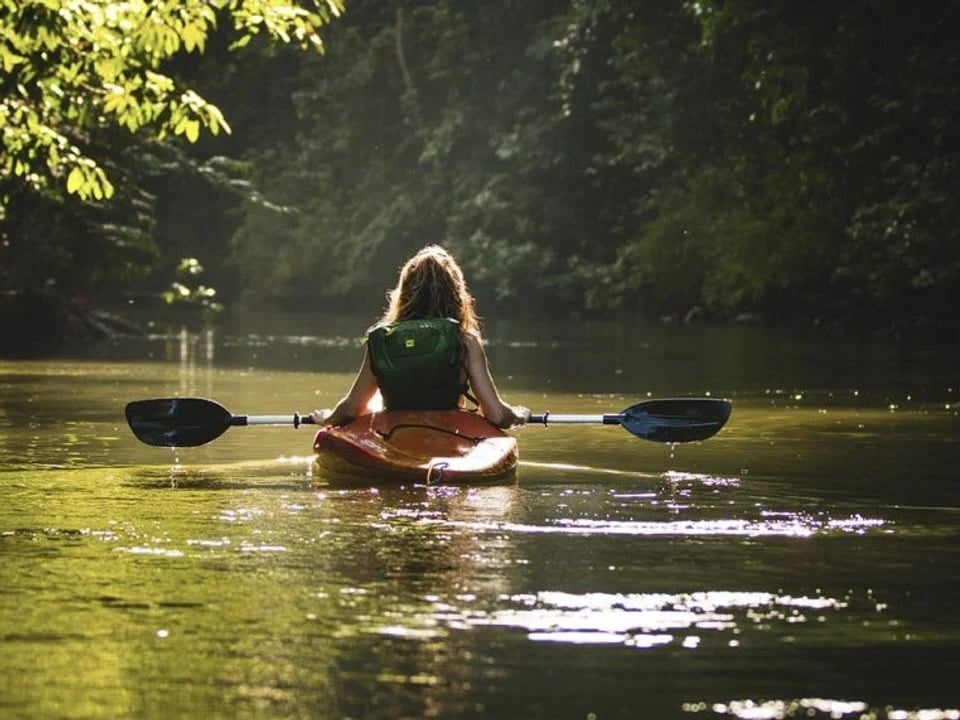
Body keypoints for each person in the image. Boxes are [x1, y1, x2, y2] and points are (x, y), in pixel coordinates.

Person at [311, 245, 529, 428]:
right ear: (456, 293)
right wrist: (519, 415)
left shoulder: (383, 340)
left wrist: (327, 419)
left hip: (395, 437)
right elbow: (497, 415)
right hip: (449, 437)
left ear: (404, 291)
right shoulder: (465, 342)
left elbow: (352, 408)